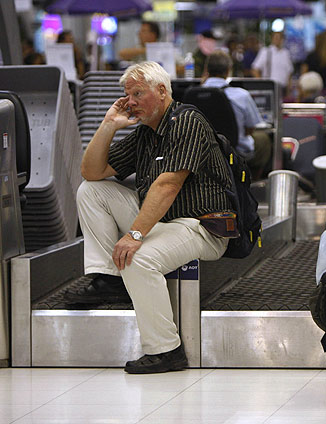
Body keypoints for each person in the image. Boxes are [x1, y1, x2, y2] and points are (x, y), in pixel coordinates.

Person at [77, 61, 234, 374]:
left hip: (201, 225)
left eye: (137, 93)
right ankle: (110, 278)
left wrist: (134, 235)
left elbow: (168, 185)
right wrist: (109, 124)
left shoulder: (187, 121)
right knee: (91, 190)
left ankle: (166, 350)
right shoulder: (145, 134)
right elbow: (91, 171)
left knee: (137, 260)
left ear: (162, 91)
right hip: (164, 221)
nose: (130, 101)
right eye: (127, 95)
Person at [203, 51, 271, 179]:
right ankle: (250, 181)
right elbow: (250, 129)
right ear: (228, 70)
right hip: (235, 152)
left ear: (206, 70)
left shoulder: (194, 94)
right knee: (264, 139)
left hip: (203, 153)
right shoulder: (241, 95)